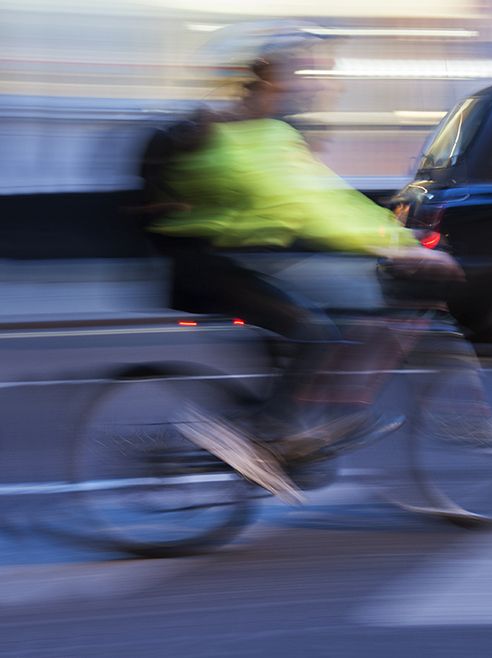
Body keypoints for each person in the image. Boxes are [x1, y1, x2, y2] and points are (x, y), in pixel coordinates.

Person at [141, 48, 461, 502]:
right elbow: (309, 207)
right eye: (297, 81)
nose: (309, 91)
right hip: (212, 264)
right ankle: (263, 441)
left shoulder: (262, 133)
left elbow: (329, 198)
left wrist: (396, 236)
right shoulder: (245, 137)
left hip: (240, 256)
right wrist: (399, 248)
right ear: (271, 87)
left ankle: (294, 441)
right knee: (313, 331)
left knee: (343, 303)